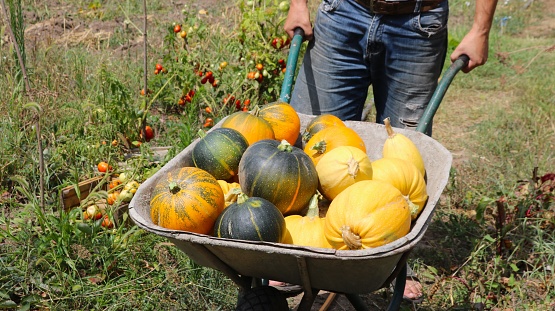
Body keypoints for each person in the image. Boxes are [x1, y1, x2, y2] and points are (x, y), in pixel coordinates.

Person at [280, 0, 498, 303]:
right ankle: (298, 248)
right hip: (342, 13)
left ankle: (394, 261)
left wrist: (480, 29)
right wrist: (298, 4)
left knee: (405, 163)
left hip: (419, 20)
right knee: (312, 148)